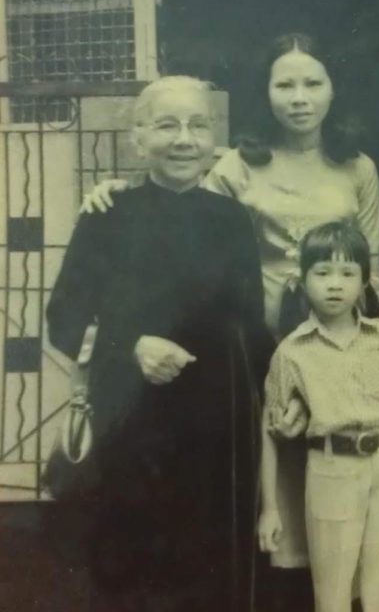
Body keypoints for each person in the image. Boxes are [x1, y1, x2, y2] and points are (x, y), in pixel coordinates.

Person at [81, 32, 379, 605]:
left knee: (339, 501)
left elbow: (372, 274)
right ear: (265, 92)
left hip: (334, 351)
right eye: (284, 84)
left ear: (333, 89)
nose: (299, 97)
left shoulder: (358, 168)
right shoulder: (234, 164)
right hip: (259, 350)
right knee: (270, 506)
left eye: (312, 82)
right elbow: (178, 196)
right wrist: (113, 190)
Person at [46, 76, 272, 612]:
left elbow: (251, 327)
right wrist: (131, 348)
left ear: (214, 139)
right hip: (130, 426)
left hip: (213, 432)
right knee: (130, 572)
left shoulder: (231, 219)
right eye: (167, 125)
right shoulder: (107, 215)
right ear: (138, 137)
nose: (184, 139)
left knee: (208, 570)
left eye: (197, 125)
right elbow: (63, 317)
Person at [258, 220, 379, 612]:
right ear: (302, 280)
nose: (335, 284)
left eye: (348, 273)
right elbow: (270, 433)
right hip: (330, 469)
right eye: (322, 273)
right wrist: (270, 507)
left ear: (364, 283)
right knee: (332, 590)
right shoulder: (292, 352)